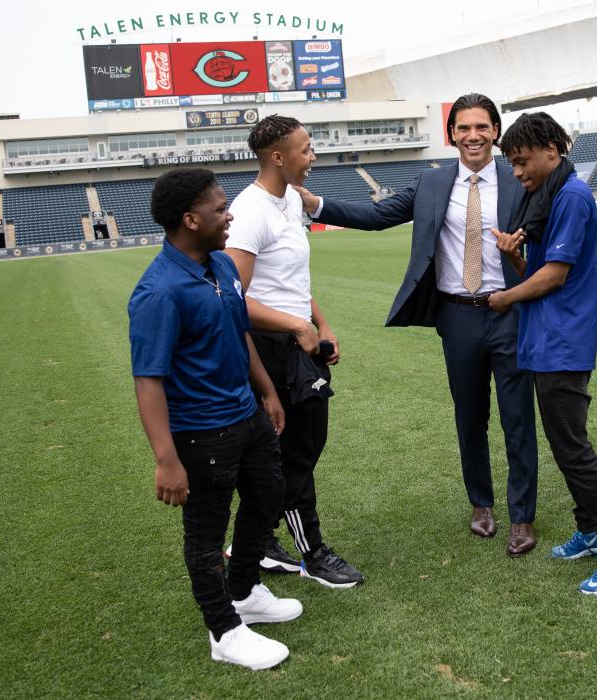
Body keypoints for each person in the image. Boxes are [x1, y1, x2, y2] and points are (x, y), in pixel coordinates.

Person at [294, 94, 539, 557]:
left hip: (511, 312)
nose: (473, 136)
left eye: (481, 127)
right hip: (457, 315)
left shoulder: (519, 180)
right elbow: (377, 216)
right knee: (470, 416)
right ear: (451, 134)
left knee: (518, 418)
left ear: (496, 131)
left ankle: (522, 515)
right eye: (463, 128)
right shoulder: (431, 183)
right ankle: (481, 504)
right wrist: (316, 203)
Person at [129, 168, 303, 670]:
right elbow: (148, 380)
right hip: (201, 431)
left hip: (245, 414)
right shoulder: (159, 291)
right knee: (205, 531)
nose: (229, 216)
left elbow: (240, 332)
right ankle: (224, 631)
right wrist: (166, 459)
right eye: (220, 209)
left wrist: (267, 392)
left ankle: (245, 591)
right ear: (190, 219)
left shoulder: (222, 265)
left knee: (269, 494)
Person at [488, 113, 597, 595]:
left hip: (563, 341)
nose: (517, 173)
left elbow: (554, 277)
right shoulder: (548, 196)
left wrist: (503, 298)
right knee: (565, 443)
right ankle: (592, 529)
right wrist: (511, 255)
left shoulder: (573, 196)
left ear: (552, 152)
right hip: (545, 338)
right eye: (512, 165)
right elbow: (534, 269)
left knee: (572, 448)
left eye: (522, 162)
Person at [224, 115, 364, 588]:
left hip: (299, 340)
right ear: (278, 157)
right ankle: (312, 554)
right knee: (295, 453)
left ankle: (258, 540)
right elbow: (232, 297)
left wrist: (319, 322)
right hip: (270, 347)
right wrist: (295, 325)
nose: (313, 157)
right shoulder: (250, 211)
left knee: (296, 448)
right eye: (306, 149)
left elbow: (290, 282)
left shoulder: (291, 201)